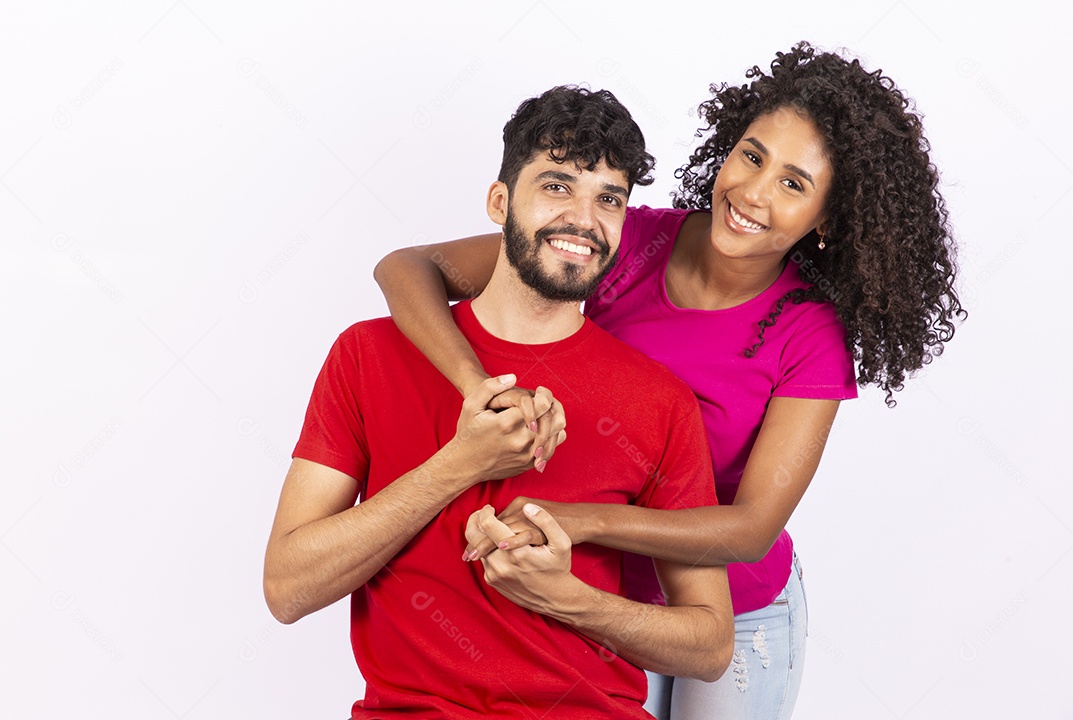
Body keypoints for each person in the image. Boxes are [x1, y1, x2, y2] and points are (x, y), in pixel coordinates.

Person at [373, 42, 965, 720]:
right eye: (752, 156)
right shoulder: (621, 240)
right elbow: (409, 267)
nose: (752, 193)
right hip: (601, 598)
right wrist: (473, 381)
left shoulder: (809, 337)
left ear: (826, 222)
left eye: (793, 184)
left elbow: (747, 532)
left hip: (737, 621)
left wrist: (584, 520)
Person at [264, 85, 734, 719]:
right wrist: (461, 463)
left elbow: (709, 644)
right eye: (558, 186)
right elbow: (287, 587)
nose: (584, 221)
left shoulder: (658, 401)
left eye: (610, 200)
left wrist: (564, 597)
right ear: (499, 201)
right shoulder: (368, 355)